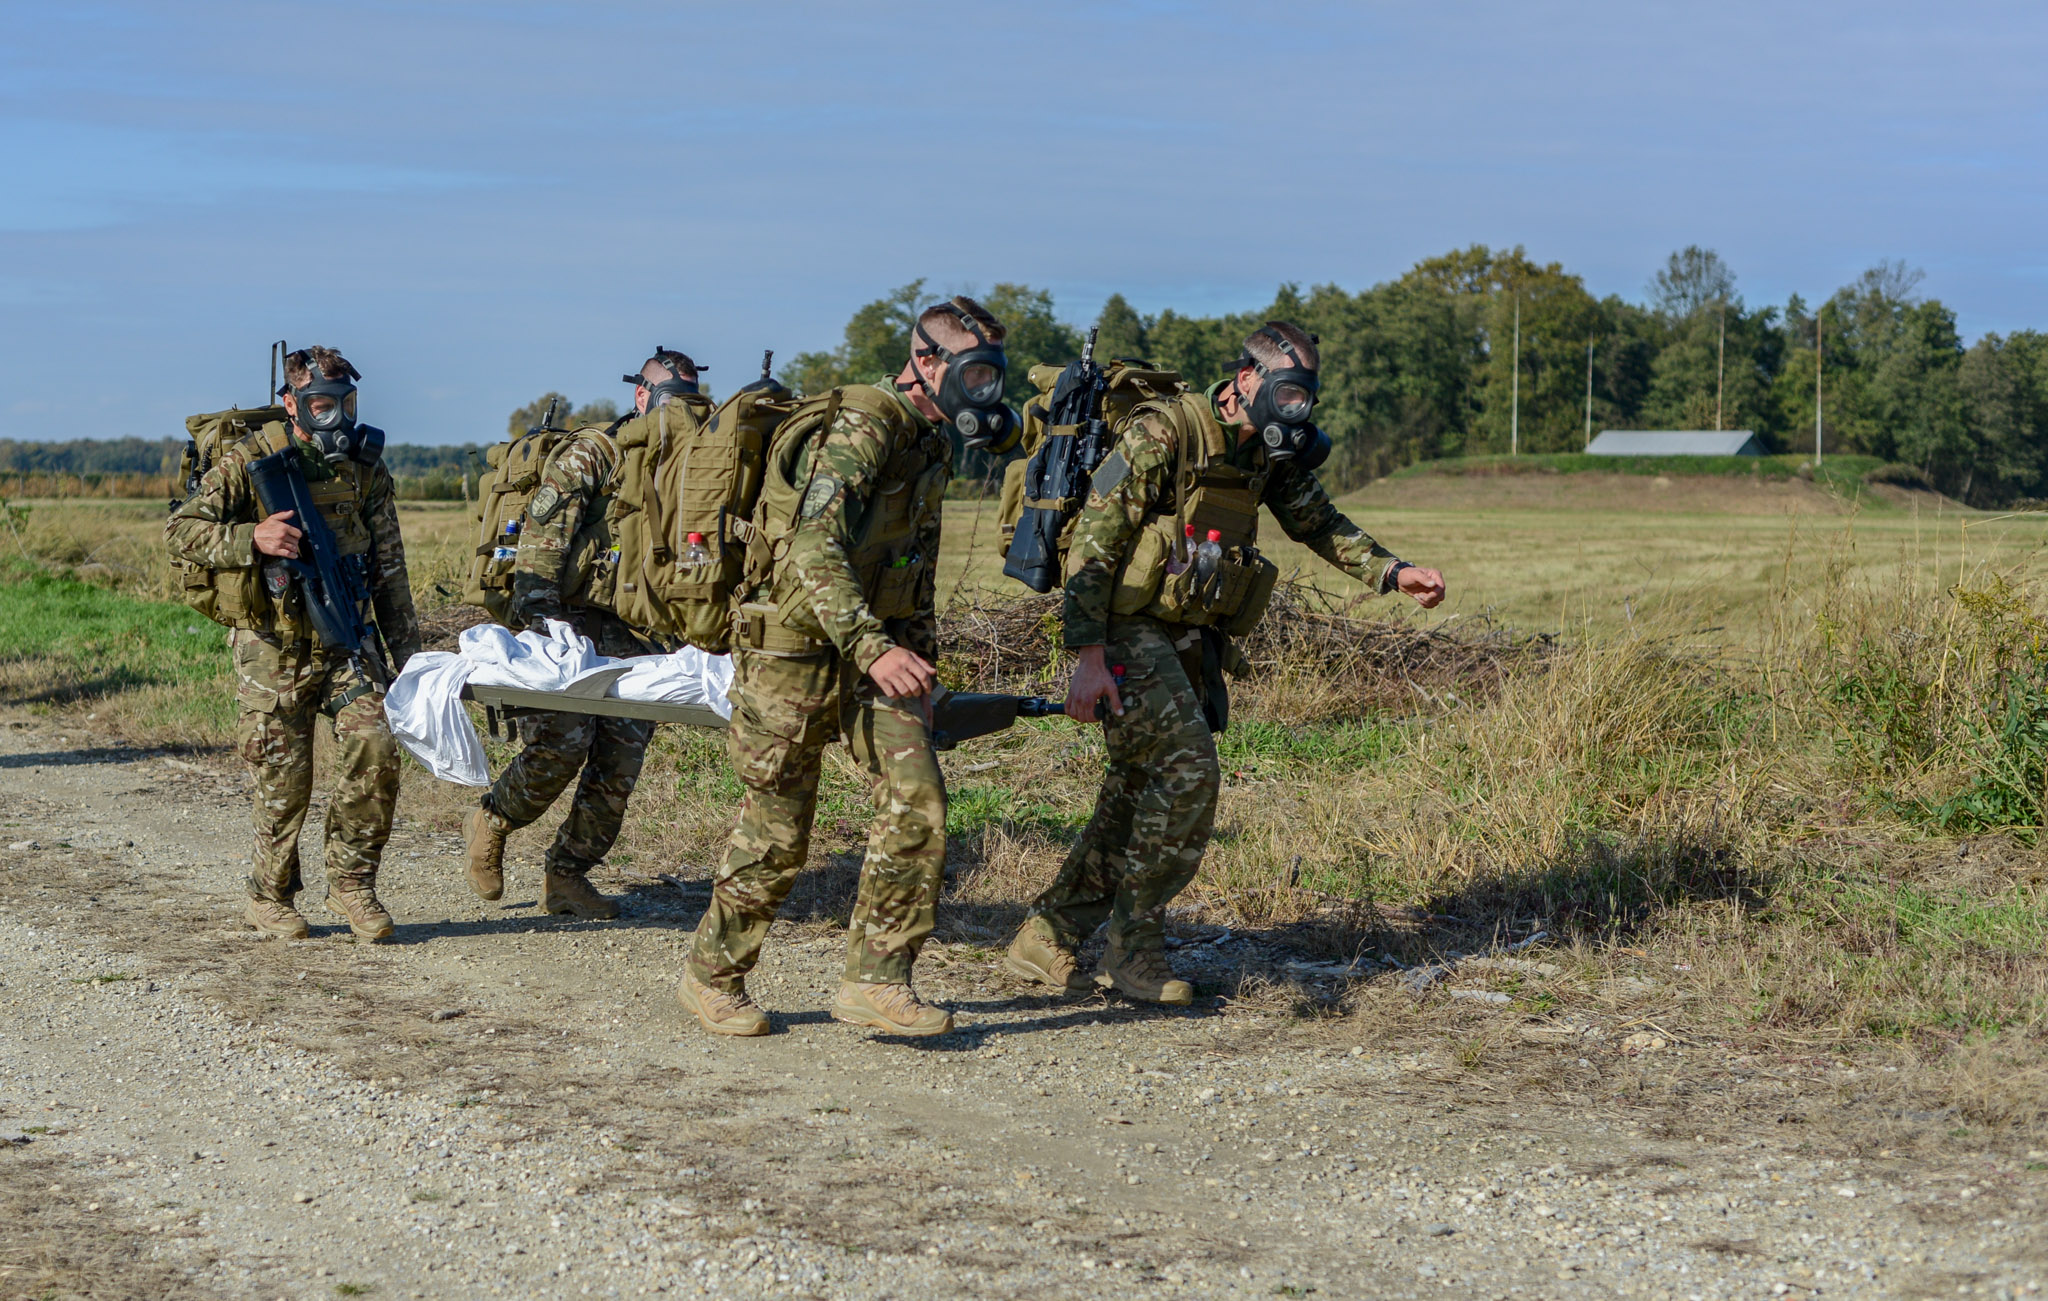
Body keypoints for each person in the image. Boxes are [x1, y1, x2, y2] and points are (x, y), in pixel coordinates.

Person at [1004, 322, 1446, 1003]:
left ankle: (1048, 933)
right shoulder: (1165, 432)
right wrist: (1087, 657)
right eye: (1287, 392)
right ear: (1247, 381)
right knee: (1187, 772)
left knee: (1134, 787)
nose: (1297, 408)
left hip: (1183, 631)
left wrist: (1395, 573)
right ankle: (1134, 949)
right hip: (1122, 626)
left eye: (1307, 397)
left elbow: (1317, 521)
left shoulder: (1265, 452)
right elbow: (1094, 543)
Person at [677, 296, 1013, 1038]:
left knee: (917, 791)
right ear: (927, 360)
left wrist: (919, 657)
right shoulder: (865, 424)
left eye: (994, 375)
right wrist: (875, 647)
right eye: (976, 371)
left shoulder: (929, 441)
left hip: (872, 649)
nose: (986, 391)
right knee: (777, 828)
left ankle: (876, 979)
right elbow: (810, 550)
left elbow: (911, 562)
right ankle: (712, 976)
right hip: (791, 645)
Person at [167, 346, 421, 941]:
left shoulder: (364, 469)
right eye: (320, 403)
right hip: (273, 652)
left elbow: (390, 569)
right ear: (292, 403)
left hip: (345, 647)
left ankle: (354, 885)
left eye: (344, 402)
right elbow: (180, 529)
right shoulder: (249, 460)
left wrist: (409, 662)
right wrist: (251, 537)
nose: (334, 414)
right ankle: (268, 894)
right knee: (284, 783)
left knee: (377, 747)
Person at [459, 352, 695, 919]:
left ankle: (566, 875)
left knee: (621, 759)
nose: (677, 413)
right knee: (562, 746)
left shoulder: (685, 463)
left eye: (689, 403)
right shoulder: (598, 451)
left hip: (629, 631)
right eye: (668, 399)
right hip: (563, 619)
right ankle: (493, 817)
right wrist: (538, 622)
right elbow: (546, 528)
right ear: (641, 397)